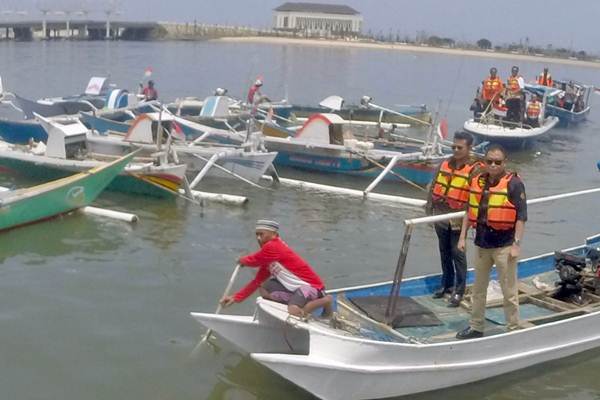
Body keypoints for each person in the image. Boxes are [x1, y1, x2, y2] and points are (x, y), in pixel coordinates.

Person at [455, 144, 527, 339]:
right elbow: (469, 212)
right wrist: (462, 237)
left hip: (504, 245)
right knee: (478, 289)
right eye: (489, 161)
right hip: (482, 244)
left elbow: (521, 216)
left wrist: (516, 245)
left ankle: (512, 327)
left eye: (498, 162)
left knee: (509, 291)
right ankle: (476, 326)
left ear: (504, 163)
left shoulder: (514, 184)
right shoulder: (478, 181)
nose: (493, 165)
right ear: (484, 162)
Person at [220, 219, 333, 318]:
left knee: (293, 311)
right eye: (257, 235)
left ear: (274, 234)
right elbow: (257, 281)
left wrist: (242, 260)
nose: (259, 238)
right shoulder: (268, 258)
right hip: (295, 288)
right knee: (263, 288)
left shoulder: (274, 246)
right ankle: (296, 303)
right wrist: (236, 298)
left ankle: (325, 301)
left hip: (311, 288)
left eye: (262, 234)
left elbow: (254, 260)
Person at [426, 131, 482, 307]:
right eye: (454, 147)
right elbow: (434, 185)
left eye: (460, 147)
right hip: (441, 215)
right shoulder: (444, 163)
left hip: (459, 218)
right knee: (444, 252)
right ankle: (446, 285)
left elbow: (477, 197)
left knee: (458, 254)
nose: (456, 150)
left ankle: (459, 290)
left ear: (469, 148)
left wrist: (472, 220)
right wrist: (429, 208)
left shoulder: (476, 169)